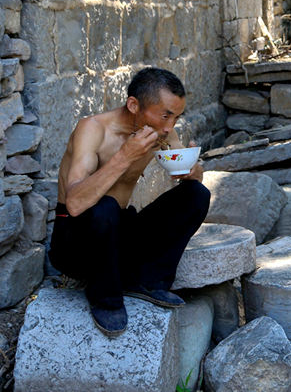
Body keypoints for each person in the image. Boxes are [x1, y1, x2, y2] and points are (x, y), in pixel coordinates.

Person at [48, 67, 209, 337]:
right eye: (165, 115)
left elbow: (189, 171)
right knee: (105, 206)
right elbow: (75, 204)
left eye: (176, 117)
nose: (170, 127)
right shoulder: (93, 129)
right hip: (76, 242)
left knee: (196, 195)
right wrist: (125, 155)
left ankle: (146, 280)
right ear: (134, 105)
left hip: (116, 232)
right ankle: (106, 299)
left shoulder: (163, 132)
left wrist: (194, 172)